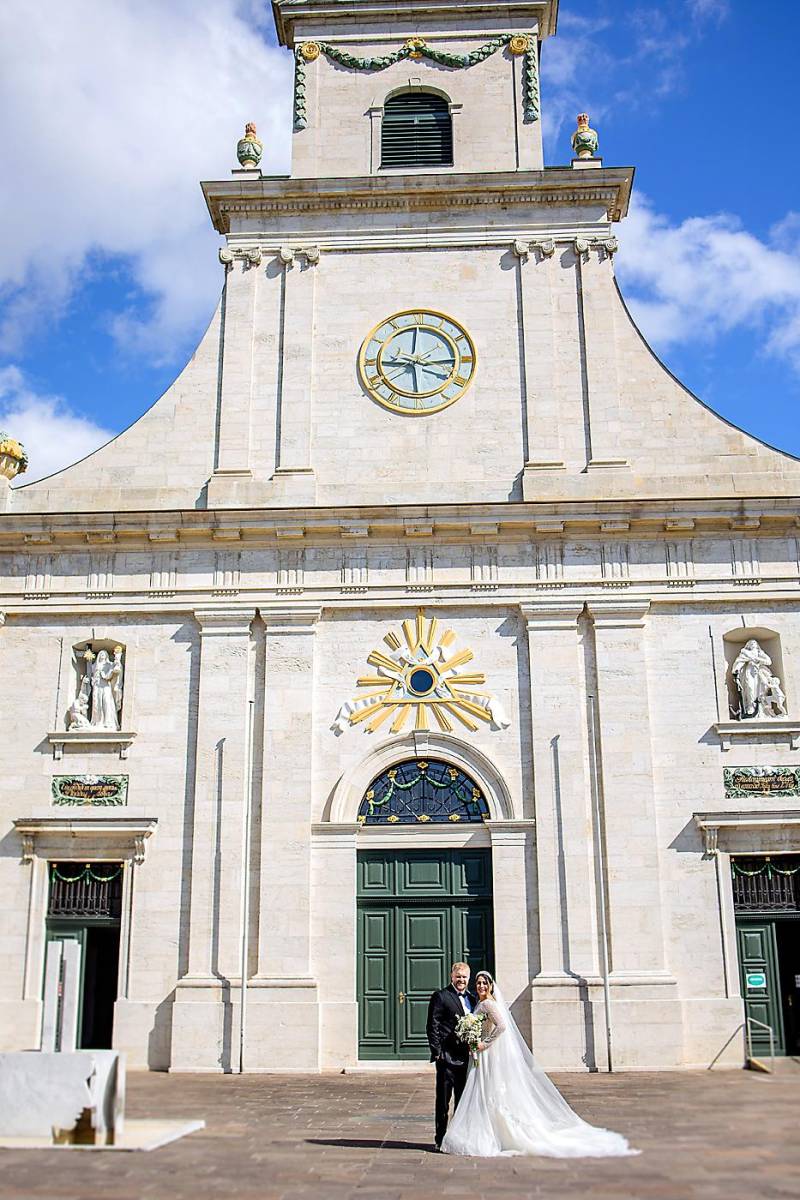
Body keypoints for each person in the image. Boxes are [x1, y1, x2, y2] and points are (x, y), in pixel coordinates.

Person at [441, 971, 638, 1158]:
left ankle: (489, 1135)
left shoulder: (488, 1004)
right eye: (479, 983)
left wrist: (484, 1043)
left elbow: (502, 1026)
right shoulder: (482, 1002)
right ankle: (491, 1132)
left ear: (491, 985)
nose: (481, 986)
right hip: (482, 1054)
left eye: (485, 983)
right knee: (483, 1091)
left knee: (487, 1091)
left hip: (486, 1052)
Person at [426, 962, 477, 1151]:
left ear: (468, 978)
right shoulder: (441, 996)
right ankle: (439, 1139)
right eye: (458, 977)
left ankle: (457, 1139)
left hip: (466, 1059)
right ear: (452, 977)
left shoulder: (472, 999)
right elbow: (433, 1025)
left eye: (464, 977)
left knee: (463, 1102)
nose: (461, 980)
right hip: (446, 1058)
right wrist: (437, 1052)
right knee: (443, 1102)